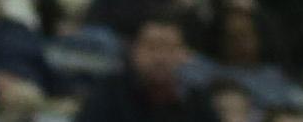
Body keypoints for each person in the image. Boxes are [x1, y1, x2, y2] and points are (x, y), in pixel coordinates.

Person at [74, 14, 216, 122]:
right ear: (133, 51)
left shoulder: (196, 100)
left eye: (169, 48)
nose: (160, 58)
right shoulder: (109, 92)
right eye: (151, 47)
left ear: (184, 54)